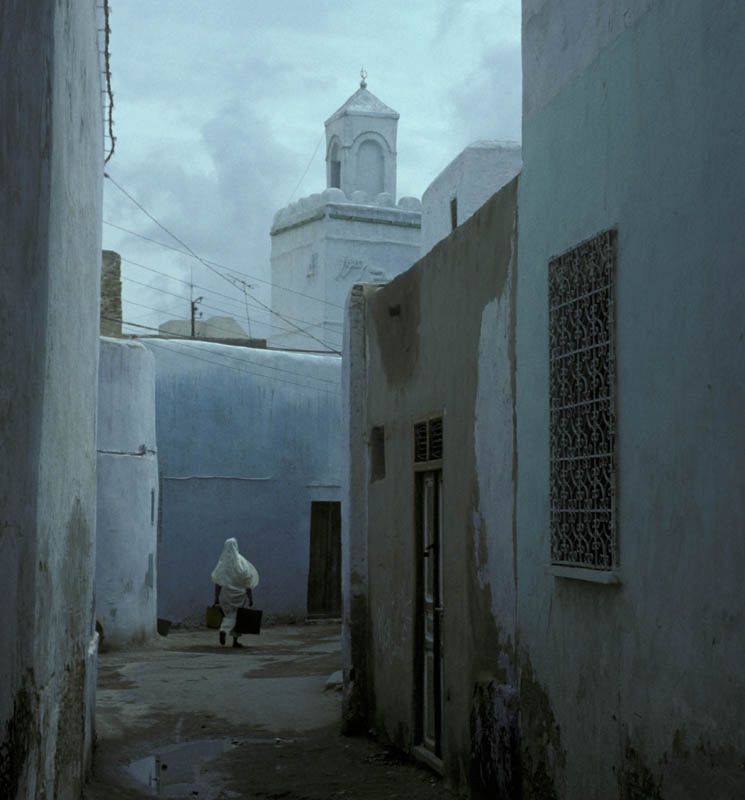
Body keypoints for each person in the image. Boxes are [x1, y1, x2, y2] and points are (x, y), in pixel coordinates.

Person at [211, 537, 259, 648]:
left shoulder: (222, 563)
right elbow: (248, 580)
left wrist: (216, 597)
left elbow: (217, 581)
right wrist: (250, 597)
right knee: (237, 617)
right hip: (239, 595)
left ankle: (223, 629)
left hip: (226, 595)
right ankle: (234, 641)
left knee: (228, 615)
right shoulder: (241, 562)